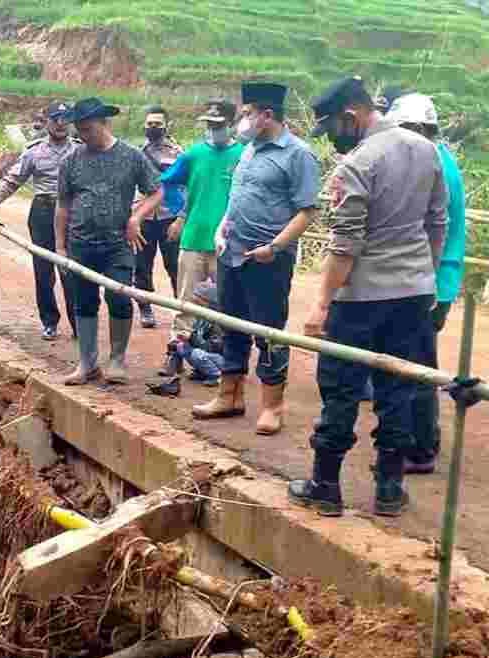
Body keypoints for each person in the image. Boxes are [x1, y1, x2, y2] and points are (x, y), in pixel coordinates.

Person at [290, 77, 446, 517]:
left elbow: (345, 245)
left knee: (341, 388)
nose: (335, 140)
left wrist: (322, 302)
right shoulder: (427, 150)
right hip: (415, 294)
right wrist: (422, 275)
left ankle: (325, 487)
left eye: (335, 129)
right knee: (398, 386)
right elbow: (438, 224)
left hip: (361, 299)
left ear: (351, 117)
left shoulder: (357, 164)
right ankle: (390, 491)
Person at [192, 82, 321, 436]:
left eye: (248, 113)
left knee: (268, 332)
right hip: (231, 252)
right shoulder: (248, 151)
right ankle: (229, 395)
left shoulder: (298, 154)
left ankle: (272, 406)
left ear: (267, 115)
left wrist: (275, 247)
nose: (243, 120)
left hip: (268, 260)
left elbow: (307, 211)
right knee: (231, 325)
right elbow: (236, 199)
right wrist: (221, 229)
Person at [54, 97, 163, 385]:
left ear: (104, 123)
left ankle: (117, 359)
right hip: (80, 243)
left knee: (118, 295)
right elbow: (63, 204)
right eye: (79, 130)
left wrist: (136, 217)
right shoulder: (71, 160)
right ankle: (87, 364)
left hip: (118, 244)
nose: (82, 136)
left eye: (88, 129)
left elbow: (156, 192)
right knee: (84, 301)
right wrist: (60, 246)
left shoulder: (131, 156)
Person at [385, 92, 465, 475]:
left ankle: (420, 448)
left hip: (429, 281)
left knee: (417, 366)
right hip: (432, 278)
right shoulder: (438, 159)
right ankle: (417, 440)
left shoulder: (433, 164)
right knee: (414, 362)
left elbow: (429, 228)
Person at [0, 102, 79, 341]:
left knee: (71, 270)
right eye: (55, 118)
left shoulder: (81, 151)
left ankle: (78, 323)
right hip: (42, 212)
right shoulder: (34, 151)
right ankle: (49, 322)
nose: (61, 123)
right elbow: (11, 182)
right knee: (43, 271)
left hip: (73, 215)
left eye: (65, 118)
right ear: (47, 121)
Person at [154, 99, 243, 375]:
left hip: (228, 243)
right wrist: (180, 212)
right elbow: (167, 181)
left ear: (232, 124)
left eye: (218, 125)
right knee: (185, 302)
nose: (213, 130)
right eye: (209, 125)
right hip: (193, 237)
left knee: (222, 305)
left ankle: (211, 358)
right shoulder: (194, 155)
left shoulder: (244, 154)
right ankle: (175, 353)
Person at [134, 105, 183, 329]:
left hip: (169, 217)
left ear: (166, 125)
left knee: (174, 265)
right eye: (150, 123)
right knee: (141, 266)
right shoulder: (136, 152)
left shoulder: (178, 153)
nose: (153, 127)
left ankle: (182, 310)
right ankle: (145, 308)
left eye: (158, 123)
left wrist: (181, 217)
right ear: (144, 125)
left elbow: (186, 186)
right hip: (144, 217)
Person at [172, 280, 225, 386]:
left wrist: (191, 337)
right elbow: (199, 336)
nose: (195, 304)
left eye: (199, 301)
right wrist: (187, 338)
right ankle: (202, 372)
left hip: (223, 360)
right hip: (210, 353)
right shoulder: (202, 317)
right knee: (181, 346)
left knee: (196, 354)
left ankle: (216, 375)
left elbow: (213, 347)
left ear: (208, 302)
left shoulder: (218, 321)